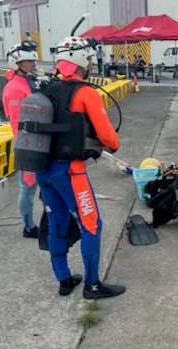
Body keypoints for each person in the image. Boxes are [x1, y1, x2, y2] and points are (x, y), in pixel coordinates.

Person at [35, 35, 126, 299]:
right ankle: (92, 286)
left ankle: (64, 280)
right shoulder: (86, 92)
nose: (91, 63)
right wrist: (112, 142)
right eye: (88, 58)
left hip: (43, 170)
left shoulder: (45, 89)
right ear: (79, 60)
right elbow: (110, 139)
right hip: (70, 173)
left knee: (56, 223)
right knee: (91, 225)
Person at [2, 41, 40, 239]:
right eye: (29, 61)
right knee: (27, 187)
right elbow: (19, 124)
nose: (34, 64)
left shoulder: (28, 82)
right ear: (17, 63)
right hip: (28, 146)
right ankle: (29, 227)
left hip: (37, 144)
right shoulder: (14, 89)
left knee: (33, 186)